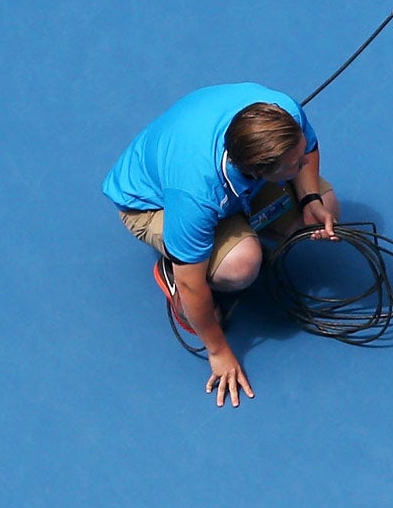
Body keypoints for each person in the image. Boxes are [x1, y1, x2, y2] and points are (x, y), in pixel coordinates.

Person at [104, 84, 341, 406]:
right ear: (259, 170)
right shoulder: (195, 196)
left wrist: (310, 196)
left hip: (235, 188)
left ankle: (244, 229)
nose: (304, 163)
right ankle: (171, 266)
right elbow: (193, 285)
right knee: (240, 266)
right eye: (294, 165)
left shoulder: (283, 113)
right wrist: (219, 351)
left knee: (325, 208)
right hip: (154, 205)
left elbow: (308, 148)